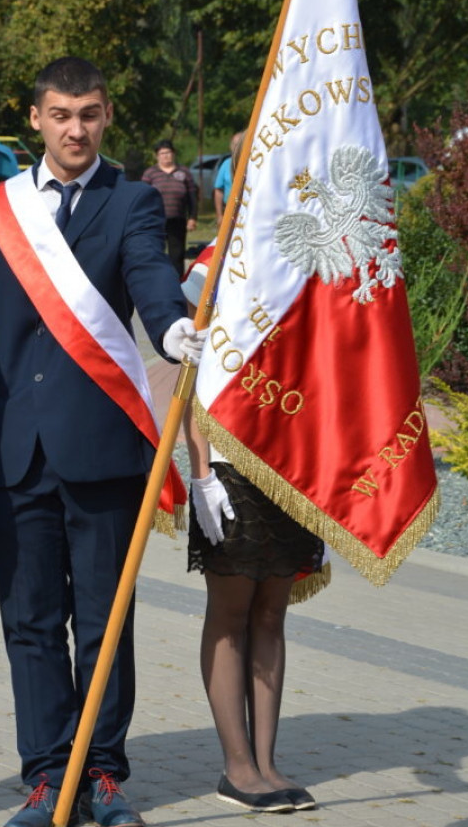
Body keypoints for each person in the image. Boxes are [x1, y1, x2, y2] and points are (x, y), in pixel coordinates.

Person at [0, 57, 205, 827]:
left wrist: (170, 326)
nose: (76, 128)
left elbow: (148, 272)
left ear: (107, 117)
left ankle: (101, 774)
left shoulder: (131, 200)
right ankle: (44, 776)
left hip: (102, 448)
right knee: (29, 621)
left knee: (105, 620)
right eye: (62, 114)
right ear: (34, 118)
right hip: (13, 450)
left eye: (90, 114)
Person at [181, 245, 326, 815]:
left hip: (294, 459)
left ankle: (266, 761)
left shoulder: (310, 257)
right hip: (229, 457)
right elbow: (196, 371)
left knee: (272, 611)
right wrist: (199, 473)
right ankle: (236, 764)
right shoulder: (218, 261)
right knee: (232, 610)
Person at [141, 139, 197, 276]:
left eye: (168, 152)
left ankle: (178, 285)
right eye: (162, 153)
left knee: (176, 255)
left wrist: (193, 217)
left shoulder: (184, 172)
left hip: (177, 219)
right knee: (154, 253)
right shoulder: (150, 173)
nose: (166, 156)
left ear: (174, 153)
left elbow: (192, 196)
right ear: (157, 156)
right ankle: (156, 282)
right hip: (155, 220)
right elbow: (142, 197)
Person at [212, 130, 246, 227]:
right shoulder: (226, 164)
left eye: (240, 144)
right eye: (235, 144)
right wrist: (219, 215)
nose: (237, 147)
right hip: (230, 209)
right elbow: (218, 190)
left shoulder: (254, 162)